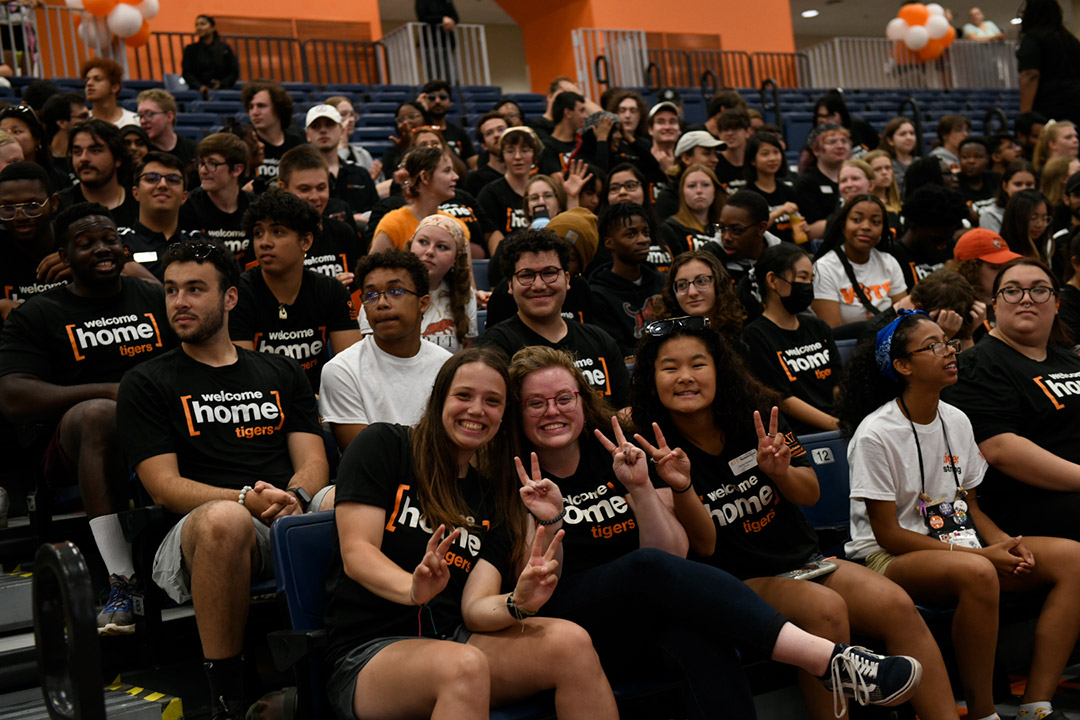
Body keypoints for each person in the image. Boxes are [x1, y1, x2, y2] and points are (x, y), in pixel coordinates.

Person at [504, 344, 925, 719]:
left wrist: (641, 489)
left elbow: (671, 552)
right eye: (535, 403)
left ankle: (833, 664)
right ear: (517, 412)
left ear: (582, 400)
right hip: (571, 621)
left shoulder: (616, 452)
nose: (553, 411)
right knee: (645, 566)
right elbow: (540, 583)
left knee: (703, 641)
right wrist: (548, 517)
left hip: (641, 615)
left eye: (564, 398)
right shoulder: (513, 475)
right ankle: (828, 660)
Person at [631, 318, 946, 720]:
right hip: (733, 581)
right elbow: (705, 546)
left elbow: (810, 493)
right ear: (651, 377)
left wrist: (779, 472)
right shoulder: (648, 443)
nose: (685, 378)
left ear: (719, 368)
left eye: (698, 364)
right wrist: (682, 485)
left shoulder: (757, 413)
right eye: (670, 368)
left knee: (897, 604)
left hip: (803, 560)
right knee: (825, 609)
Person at [325, 344, 619, 720]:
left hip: (455, 639)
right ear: (438, 399)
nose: (477, 410)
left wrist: (518, 602)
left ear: (502, 417)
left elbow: (475, 608)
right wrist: (412, 589)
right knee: (463, 666)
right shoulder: (384, 446)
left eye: (493, 401)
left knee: (570, 642)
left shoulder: (492, 496)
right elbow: (357, 553)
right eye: (464, 395)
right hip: (368, 651)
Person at [117, 237, 330, 720]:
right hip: (198, 527)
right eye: (171, 290)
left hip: (283, 510)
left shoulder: (280, 369)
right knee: (224, 521)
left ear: (230, 298)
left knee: (340, 497)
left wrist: (296, 495)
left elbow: (314, 460)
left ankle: (347, 661)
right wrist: (243, 499)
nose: (180, 302)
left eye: (195, 289)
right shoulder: (147, 382)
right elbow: (163, 486)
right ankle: (227, 697)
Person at [838, 308, 1080, 720]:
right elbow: (888, 536)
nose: (950, 352)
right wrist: (984, 556)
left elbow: (969, 506)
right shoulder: (876, 434)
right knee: (980, 573)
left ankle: (1036, 705)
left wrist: (1004, 543)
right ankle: (985, 713)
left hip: (959, 544)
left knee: (1073, 557)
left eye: (948, 343)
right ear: (903, 366)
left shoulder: (957, 419)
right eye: (932, 346)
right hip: (889, 559)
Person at [0, 203, 175, 635]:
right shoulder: (39, 313)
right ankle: (120, 579)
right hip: (72, 444)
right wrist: (108, 391)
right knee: (99, 415)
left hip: (158, 427)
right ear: (63, 255)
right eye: (86, 243)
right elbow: (13, 395)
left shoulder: (153, 297)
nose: (102, 249)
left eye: (111, 239)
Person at [943, 258, 1080, 543]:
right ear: (995, 305)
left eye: (1040, 290)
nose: (1027, 298)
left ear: (1056, 304)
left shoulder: (1069, 359)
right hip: (1028, 503)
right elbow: (1001, 449)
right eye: (1013, 290)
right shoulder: (977, 365)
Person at [476, 229, 629, 406]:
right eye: (526, 275)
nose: (539, 285)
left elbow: (626, 409)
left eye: (549, 273)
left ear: (567, 279)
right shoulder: (492, 348)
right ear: (510, 285)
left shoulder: (600, 341)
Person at [319, 249, 452, 451]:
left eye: (395, 291)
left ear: (423, 303)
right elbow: (367, 457)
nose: (381, 303)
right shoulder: (341, 370)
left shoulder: (448, 367)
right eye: (371, 295)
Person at [230, 190, 361, 393]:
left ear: (305, 241)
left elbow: (353, 371)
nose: (264, 242)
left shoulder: (332, 291)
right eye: (258, 233)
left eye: (278, 232)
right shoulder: (237, 294)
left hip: (320, 404)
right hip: (260, 404)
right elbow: (244, 377)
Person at [742, 243, 841, 434]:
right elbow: (782, 400)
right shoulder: (755, 335)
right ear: (773, 280)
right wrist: (836, 425)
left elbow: (838, 383)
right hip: (799, 433)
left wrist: (847, 417)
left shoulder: (818, 326)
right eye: (802, 277)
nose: (808, 286)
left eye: (811, 279)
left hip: (837, 423)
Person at [362, 214, 477, 353]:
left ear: (456, 258)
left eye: (441, 247)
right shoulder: (380, 291)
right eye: (423, 242)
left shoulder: (465, 293)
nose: (429, 252)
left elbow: (466, 353)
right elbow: (368, 353)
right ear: (411, 246)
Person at [272, 147, 365, 285]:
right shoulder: (271, 240)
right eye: (304, 189)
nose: (315, 197)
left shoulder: (343, 232)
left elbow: (360, 289)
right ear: (283, 188)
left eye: (321, 188)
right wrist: (330, 291)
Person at [812, 194, 907, 329]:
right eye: (857, 220)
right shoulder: (824, 268)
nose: (866, 227)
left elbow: (905, 318)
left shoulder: (889, 262)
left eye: (875, 222)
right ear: (843, 225)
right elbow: (834, 331)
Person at [589, 202, 664, 355]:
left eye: (646, 232)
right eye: (631, 234)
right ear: (609, 242)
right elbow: (617, 353)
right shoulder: (598, 294)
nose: (643, 239)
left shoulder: (663, 282)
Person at [370, 146, 463, 254]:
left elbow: (465, 270)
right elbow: (373, 270)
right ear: (425, 177)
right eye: (447, 171)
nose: (456, 176)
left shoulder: (455, 226)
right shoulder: (393, 225)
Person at [0, 162, 65, 316]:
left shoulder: (75, 240)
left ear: (54, 203)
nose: (21, 216)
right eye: (8, 208)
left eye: (32, 205)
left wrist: (82, 265)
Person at [179, 132, 254, 260]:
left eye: (213, 164)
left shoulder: (254, 207)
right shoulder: (188, 207)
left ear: (237, 169)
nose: (203, 171)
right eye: (201, 163)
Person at [57, 120, 138, 231]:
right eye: (77, 152)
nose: (83, 158)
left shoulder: (139, 204)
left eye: (95, 150)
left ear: (117, 158)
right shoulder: (59, 205)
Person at [653, 250, 744, 348]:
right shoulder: (661, 343)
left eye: (701, 281)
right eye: (682, 285)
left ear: (718, 284)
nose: (692, 292)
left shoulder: (740, 339)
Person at [304, 104, 377, 224]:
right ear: (307, 135)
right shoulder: (303, 177)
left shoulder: (360, 173)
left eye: (329, 125)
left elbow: (376, 213)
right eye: (316, 126)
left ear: (342, 131)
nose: (323, 130)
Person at [888, 184, 969, 291]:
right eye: (936, 240)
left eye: (947, 239)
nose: (942, 247)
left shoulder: (951, 248)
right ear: (914, 227)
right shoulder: (892, 258)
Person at [477, 127, 542, 254]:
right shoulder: (490, 194)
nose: (517, 157)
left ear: (534, 155)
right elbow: (493, 244)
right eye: (510, 151)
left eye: (524, 151)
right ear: (502, 156)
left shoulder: (544, 190)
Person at [1018, 0, 1080, 127]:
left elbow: (1030, 75)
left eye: (1024, 13)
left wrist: (1025, 115)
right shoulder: (1071, 39)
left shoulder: (1032, 39)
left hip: (1049, 107)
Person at [794, 123, 850, 241]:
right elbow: (811, 230)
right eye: (832, 142)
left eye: (844, 141)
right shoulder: (806, 182)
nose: (840, 146)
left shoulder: (855, 179)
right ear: (816, 150)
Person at [745, 131, 802, 245]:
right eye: (765, 154)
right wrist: (778, 212)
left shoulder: (789, 190)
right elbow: (752, 231)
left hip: (791, 251)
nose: (772, 158)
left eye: (776, 152)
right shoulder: (747, 195)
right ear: (752, 160)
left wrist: (803, 228)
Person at [241, 81, 304, 181]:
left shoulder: (298, 144)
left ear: (278, 108)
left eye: (261, 106)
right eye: (251, 107)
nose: (254, 112)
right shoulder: (245, 144)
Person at [715, 189, 779, 284]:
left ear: (761, 228)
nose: (726, 237)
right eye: (722, 228)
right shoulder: (711, 256)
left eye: (736, 230)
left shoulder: (782, 260)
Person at [419, 80, 476, 164]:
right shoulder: (419, 131)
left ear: (450, 102)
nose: (437, 101)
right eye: (432, 97)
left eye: (443, 97)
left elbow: (474, 164)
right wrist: (419, 108)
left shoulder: (460, 133)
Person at [182, 15, 240, 95]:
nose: (199, 27)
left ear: (213, 27)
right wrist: (200, 87)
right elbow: (187, 73)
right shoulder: (191, 49)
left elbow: (234, 72)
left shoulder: (224, 49)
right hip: (197, 92)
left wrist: (221, 84)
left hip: (222, 92)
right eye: (197, 25)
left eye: (203, 24)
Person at [975, 159, 1037, 233]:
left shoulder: (1041, 212)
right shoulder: (991, 215)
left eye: (1029, 184)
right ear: (1005, 186)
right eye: (1018, 184)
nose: (1024, 189)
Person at [41, 92, 89, 186]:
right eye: (83, 116)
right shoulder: (42, 161)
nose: (90, 120)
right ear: (62, 123)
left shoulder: (88, 157)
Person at [323, 96, 378, 176]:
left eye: (352, 115)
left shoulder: (363, 154)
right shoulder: (320, 155)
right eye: (343, 114)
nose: (351, 120)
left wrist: (371, 181)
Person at [81, 58, 138, 129]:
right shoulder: (81, 122)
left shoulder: (135, 121)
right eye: (87, 80)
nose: (89, 83)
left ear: (115, 87)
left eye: (97, 79)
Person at [539, 90, 586, 175]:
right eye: (581, 111)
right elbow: (557, 183)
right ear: (568, 113)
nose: (585, 116)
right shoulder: (547, 148)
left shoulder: (582, 143)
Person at [1000, 188, 1052, 261]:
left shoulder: (1048, 246)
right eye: (1033, 218)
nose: (1039, 225)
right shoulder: (1002, 253)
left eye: (1044, 218)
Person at [380, 101, 428, 178]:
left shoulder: (434, 143)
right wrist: (405, 149)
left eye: (412, 116)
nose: (406, 122)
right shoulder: (391, 154)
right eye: (400, 120)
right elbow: (394, 182)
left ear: (425, 118)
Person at [465, 111, 508, 196]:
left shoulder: (525, 172)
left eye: (501, 129)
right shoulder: (476, 180)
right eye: (489, 133)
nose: (496, 135)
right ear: (484, 145)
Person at [956, 136, 1001, 205]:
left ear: (987, 159)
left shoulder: (997, 179)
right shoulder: (953, 183)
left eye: (977, 156)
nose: (971, 161)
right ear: (959, 159)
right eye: (965, 157)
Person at [713, 108, 751, 191]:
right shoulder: (714, 163)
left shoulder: (756, 162)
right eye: (725, 129)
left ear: (747, 132)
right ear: (719, 134)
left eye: (735, 129)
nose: (730, 133)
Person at [647, 101, 682, 179]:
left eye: (672, 122)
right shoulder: (643, 159)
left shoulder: (685, 162)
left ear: (679, 129)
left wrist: (670, 171)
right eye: (661, 122)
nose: (667, 127)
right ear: (650, 129)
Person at [881, 117, 919, 185]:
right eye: (903, 134)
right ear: (890, 140)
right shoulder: (885, 165)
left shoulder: (920, 163)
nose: (909, 138)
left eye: (912, 133)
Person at [864, 149, 902, 215]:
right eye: (877, 169)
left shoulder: (902, 206)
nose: (884, 172)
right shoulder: (864, 206)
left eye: (887, 168)